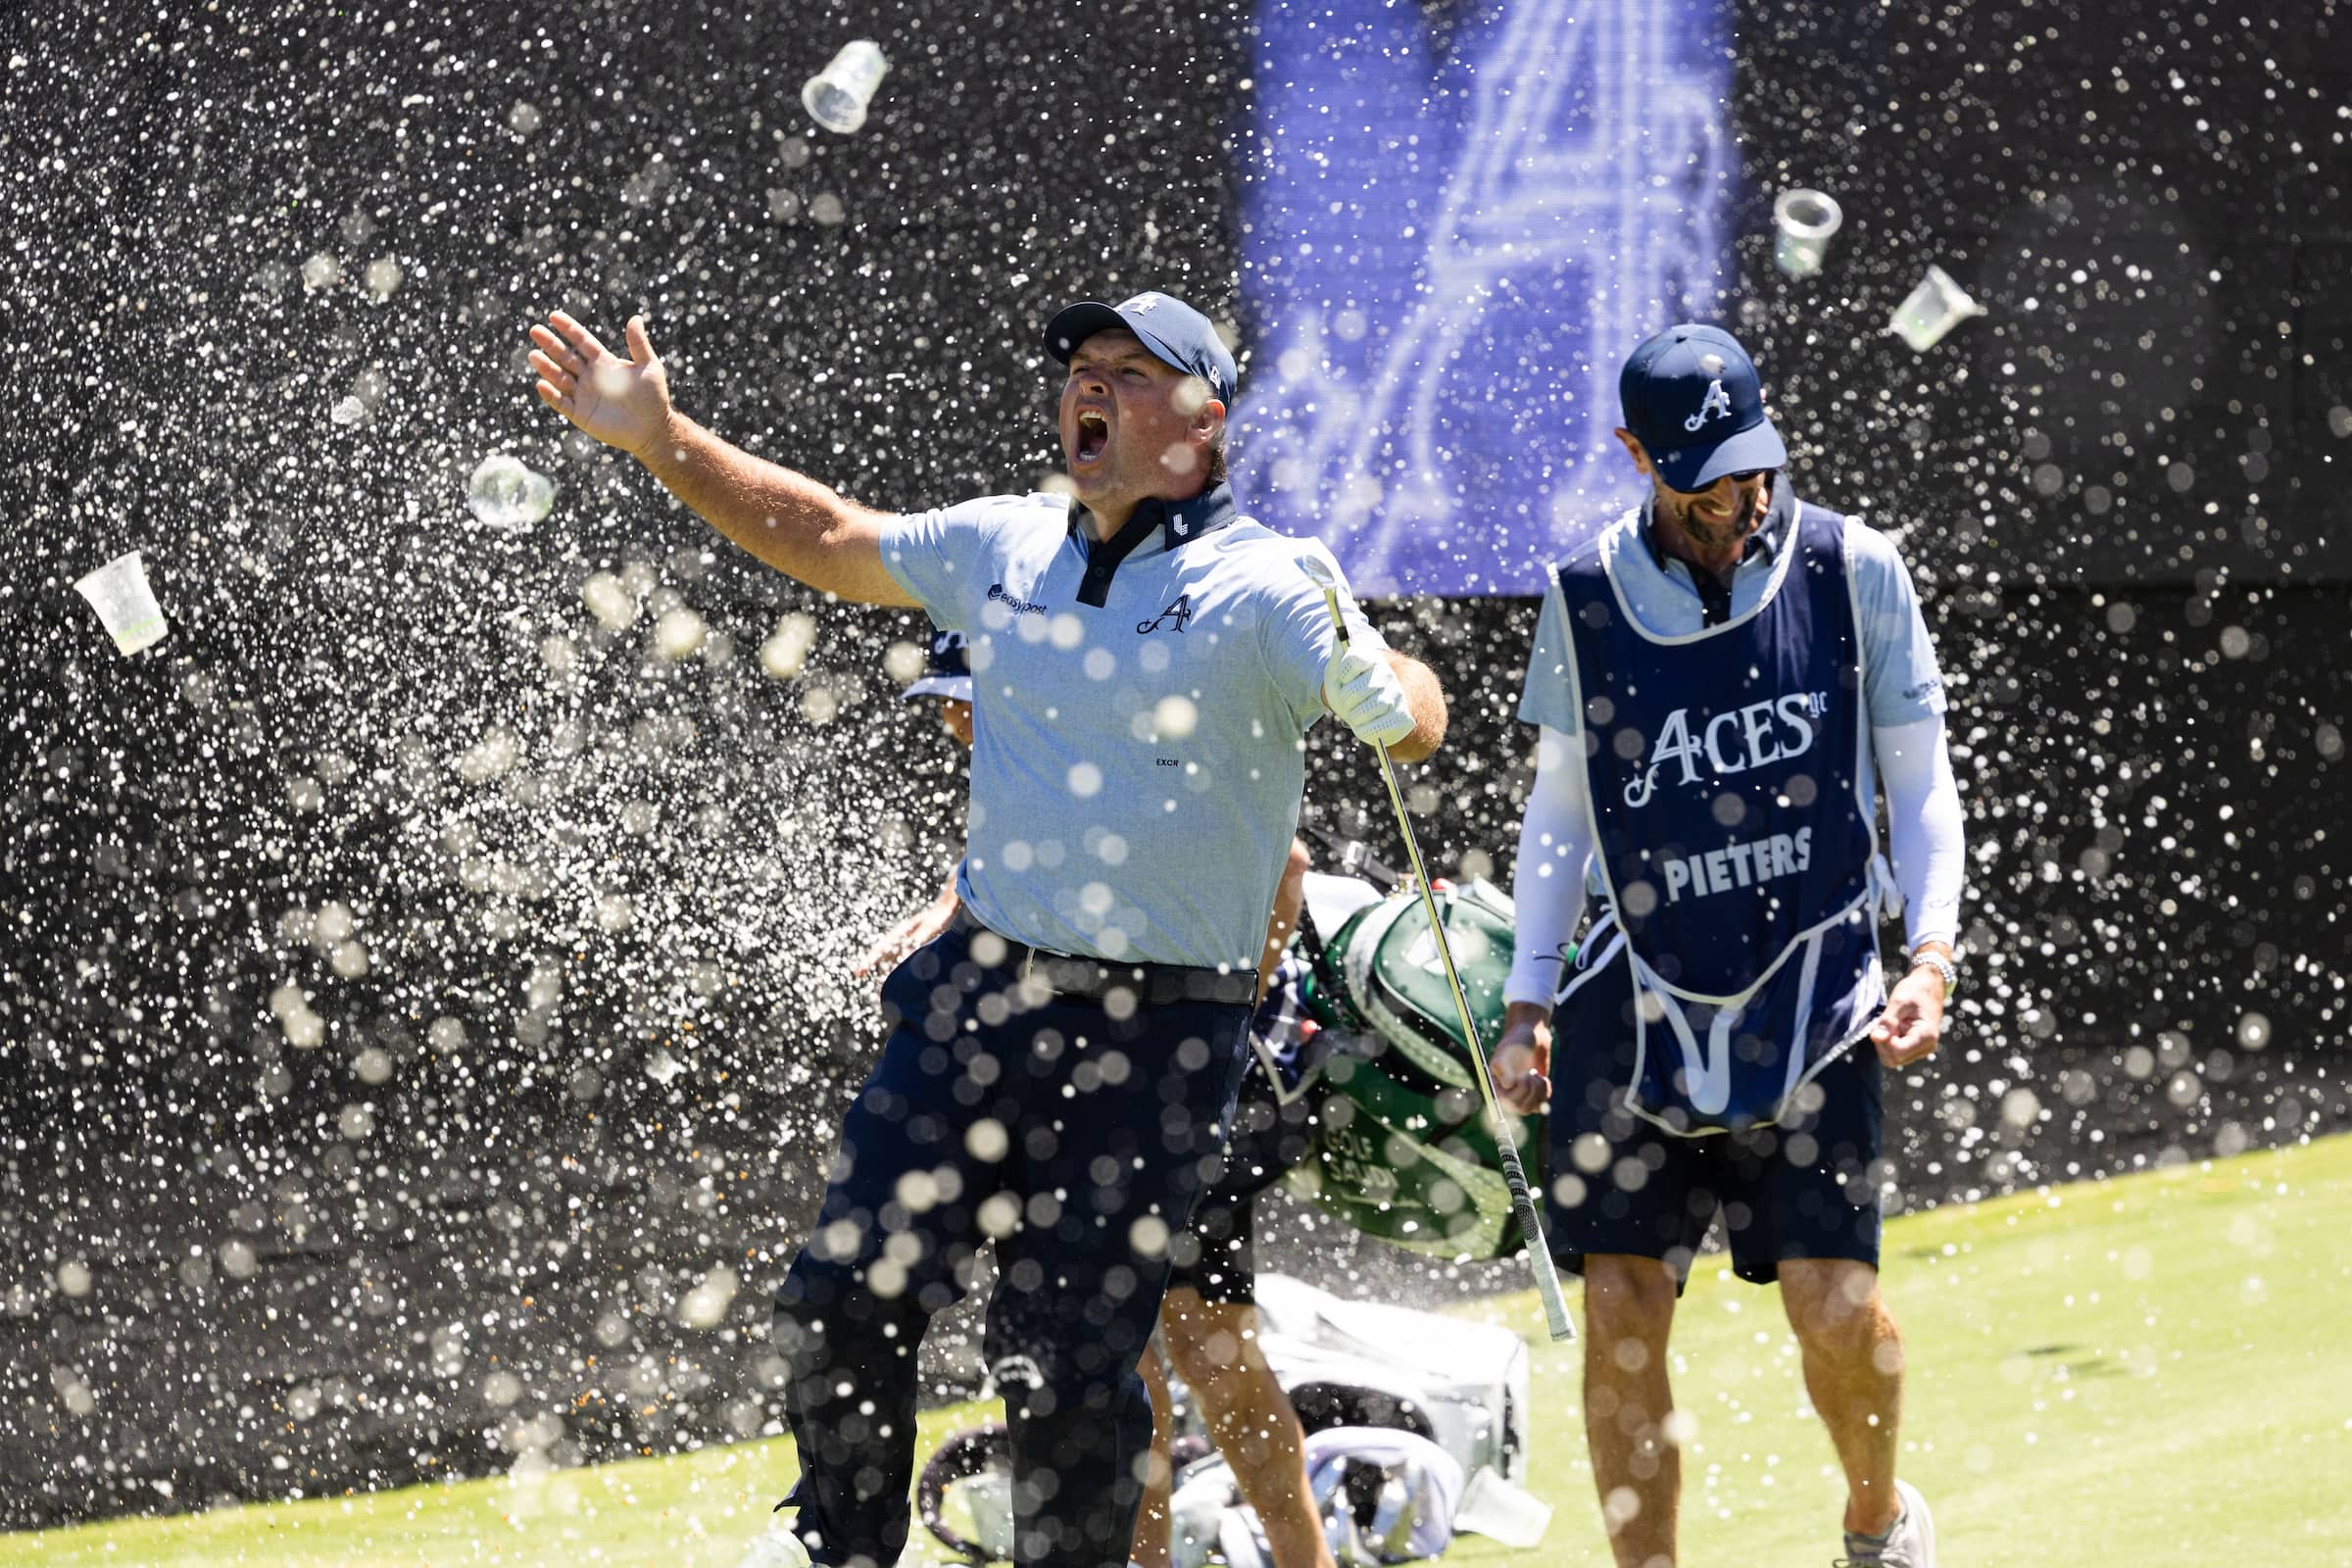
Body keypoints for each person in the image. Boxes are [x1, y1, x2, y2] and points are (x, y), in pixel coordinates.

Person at [526, 289, 1449, 1568]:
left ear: (1201, 421)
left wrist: (1391, 682)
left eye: (1129, 373)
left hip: (1159, 1039)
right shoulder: (1005, 544)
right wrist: (663, 441)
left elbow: (1411, 722)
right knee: (847, 1293)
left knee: (1065, 1369)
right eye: (1081, 368)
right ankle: (838, 1546)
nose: (1090, 387)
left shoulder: (1270, 584)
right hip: (980, 997)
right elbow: (829, 536)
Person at [1490, 324, 1964, 1568]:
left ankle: (1877, 1521)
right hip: (1632, 1002)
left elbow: (1919, 783)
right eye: (1701, 478)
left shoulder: (1851, 567)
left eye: (1752, 469)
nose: (1736, 502)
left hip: (1818, 992)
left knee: (1837, 1306)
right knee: (1623, 1306)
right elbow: (1559, 811)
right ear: (1635, 455)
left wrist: (1931, 952)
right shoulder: (1584, 595)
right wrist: (1527, 1004)